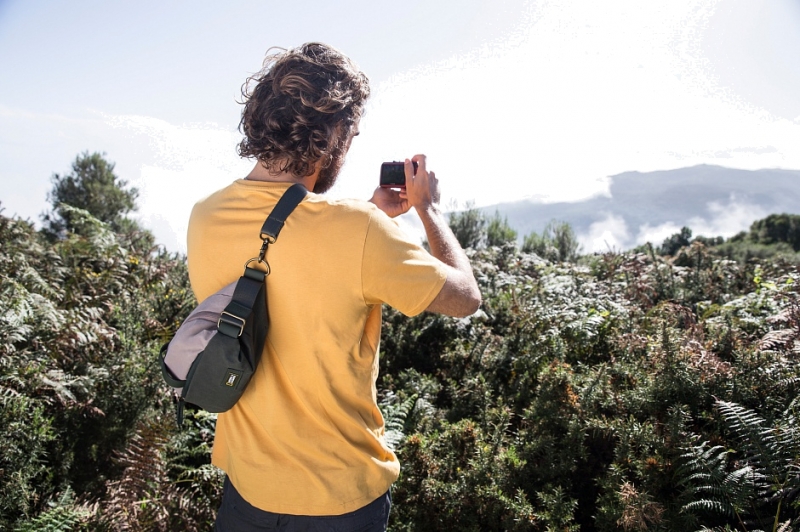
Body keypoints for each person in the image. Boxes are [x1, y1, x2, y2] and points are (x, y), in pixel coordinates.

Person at [187, 42, 481, 531]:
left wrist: (369, 217)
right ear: (335, 133)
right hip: (339, 500)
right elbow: (465, 297)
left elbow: (294, 263)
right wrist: (428, 209)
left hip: (245, 492)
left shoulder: (204, 216)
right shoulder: (358, 230)